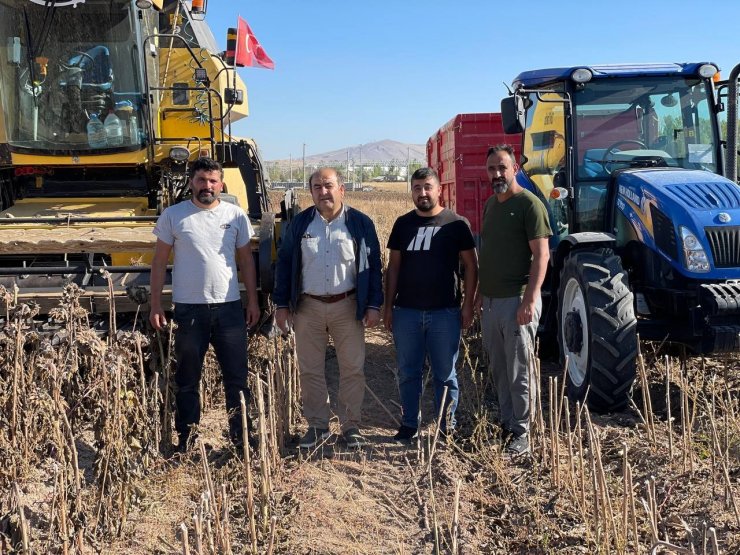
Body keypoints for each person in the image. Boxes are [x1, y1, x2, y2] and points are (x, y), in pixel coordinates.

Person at [149, 157, 260, 452]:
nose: (207, 186)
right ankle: (187, 439)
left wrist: (253, 300)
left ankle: (242, 440)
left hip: (229, 308)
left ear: (221, 184)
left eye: (212, 181)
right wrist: (156, 304)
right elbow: (159, 262)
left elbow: (246, 261)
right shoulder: (173, 216)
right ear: (191, 183)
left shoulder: (236, 215)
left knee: (237, 379)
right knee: (187, 379)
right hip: (189, 310)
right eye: (201, 180)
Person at [274, 168, 383, 449]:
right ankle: (318, 425)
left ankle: (351, 425)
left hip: (347, 306)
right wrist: (282, 304)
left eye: (329, 185)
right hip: (308, 307)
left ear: (341, 189)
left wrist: (373, 304)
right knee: (310, 369)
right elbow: (285, 265)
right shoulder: (300, 225)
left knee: (352, 368)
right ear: (310, 192)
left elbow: (373, 268)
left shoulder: (360, 224)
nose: (323, 192)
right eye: (317, 187)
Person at [384, 167, 477, 441]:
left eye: (427, 187)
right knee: (408, 372)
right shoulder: (403, 224)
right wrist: (389, 306)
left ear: (439, 190)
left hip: (445, 313)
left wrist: (468, 304)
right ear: (411, 191)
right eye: (416, 188)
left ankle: (447, 426)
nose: (422, 193)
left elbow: (472, 266)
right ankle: (409, 424)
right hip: (407, 313)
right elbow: (393, 268)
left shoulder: (456, 224)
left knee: (445, 374)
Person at [478, 145, 551, 456]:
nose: (497, 174)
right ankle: (508, 423)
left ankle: (523, 433)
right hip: (492, 303)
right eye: (492, 168)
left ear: (515, 168)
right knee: (499, 368)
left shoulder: (529, 205)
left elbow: (542, 255)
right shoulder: (491, 206)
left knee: (520, 370)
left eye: (502, 168)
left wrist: (530, 300)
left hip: (517, 302)